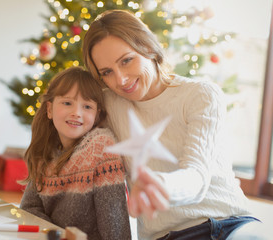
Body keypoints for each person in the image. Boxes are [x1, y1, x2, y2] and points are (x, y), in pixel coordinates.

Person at [82, 9, 262, 240]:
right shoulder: (109, 104)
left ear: (147, 48)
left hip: (227, 224)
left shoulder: (200, 95)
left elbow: (197, 176)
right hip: (164, 236)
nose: (121, 80)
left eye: (127, 60)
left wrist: (161, 185)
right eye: (107, 72)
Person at [20, 66, 131, 240]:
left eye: (87, 106)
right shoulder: (46, 151)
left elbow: (116, 229)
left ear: (97, 114)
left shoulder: (102, 149)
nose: (76, 113)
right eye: (67, 103)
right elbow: (29, 209)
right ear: (49, 109)